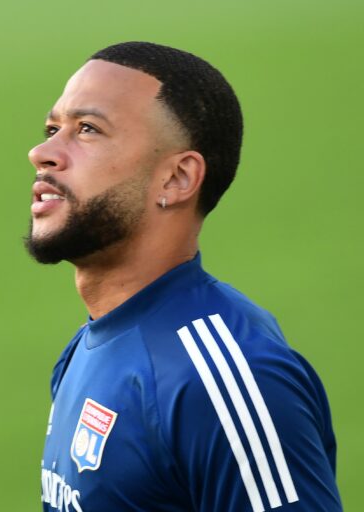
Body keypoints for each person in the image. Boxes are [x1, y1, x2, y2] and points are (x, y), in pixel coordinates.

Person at [25, 42, 342, 512]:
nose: (42, 152)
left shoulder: (217, 380)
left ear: (176, 179)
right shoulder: (90, 345)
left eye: (87, 130)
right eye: (53, 128)